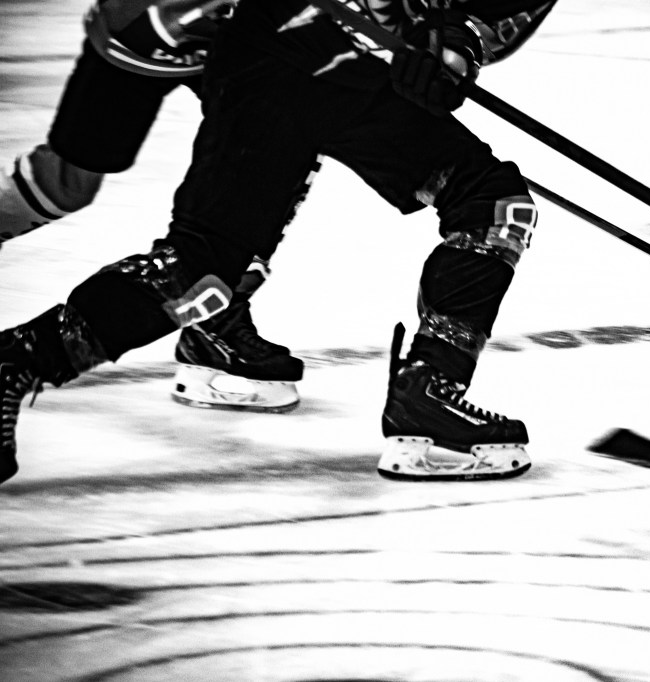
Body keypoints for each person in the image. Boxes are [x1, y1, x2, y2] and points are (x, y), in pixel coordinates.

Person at [0, 0, 558, 485]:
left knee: (490, 203)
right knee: (172, 249)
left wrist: (452, 46)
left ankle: (428, 394)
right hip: (227, 49)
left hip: (339, 72)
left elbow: (469, 27)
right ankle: (20, 359)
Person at [0, 0, 307, 413]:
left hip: (266, 42)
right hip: (160, 27)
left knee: (284, 150)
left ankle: (214, 321)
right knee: (68, 184)